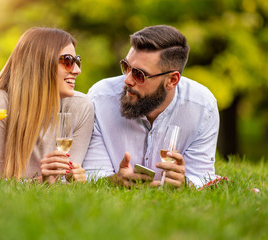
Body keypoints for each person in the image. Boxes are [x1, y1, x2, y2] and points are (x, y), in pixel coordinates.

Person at [83, 25, 219, 188]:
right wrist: (113, 181)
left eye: (139, 74)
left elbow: (202, 177)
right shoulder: (100, 99)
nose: (127, 80)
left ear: (172, 80)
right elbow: (90, 173)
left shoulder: (203, 107)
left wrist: (185, 183)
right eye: (126, 67)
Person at [0, 27, 94, 183]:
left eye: (77, 61)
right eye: (67, 61)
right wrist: (41, 182)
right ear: (40, 64)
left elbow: (66, 181)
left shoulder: (80, 107)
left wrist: (73, 178)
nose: (77, 70)